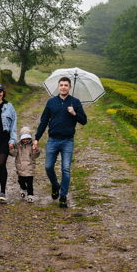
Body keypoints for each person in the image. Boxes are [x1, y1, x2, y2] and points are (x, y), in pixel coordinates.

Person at [34, 76, 87, 208]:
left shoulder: (75, 102)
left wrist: (74, 113)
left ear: (69, 87)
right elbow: (44, 121)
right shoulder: (51, 102)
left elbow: (84, 121)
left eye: (66, 85)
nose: (63, 87)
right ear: (59, 87)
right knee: (48, 167)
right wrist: (36, 138)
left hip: (67, 141)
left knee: (66, 169)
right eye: (61, 85)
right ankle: (55, 185)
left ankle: (63, 196)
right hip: (52, 140)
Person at [9, 126, 40, 203]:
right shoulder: (18, 145)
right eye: (24, 139)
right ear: (21, 138)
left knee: (30, 183)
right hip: (20, 167)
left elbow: (35, 156)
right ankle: (23, 189)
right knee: (21, 181)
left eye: (27, 138)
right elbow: (14, 154)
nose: (25, 140)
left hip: (29, 167)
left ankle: (30, 195)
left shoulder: (33, 145)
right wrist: (11, 149)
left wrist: (35, 150)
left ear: (30, 138)